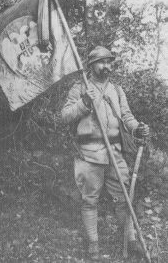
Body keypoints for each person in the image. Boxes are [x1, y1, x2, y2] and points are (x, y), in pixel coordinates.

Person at [61, 46, 149, 261]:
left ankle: (130, 240)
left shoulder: (117, 90)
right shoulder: (80, 88)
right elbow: (65, 116)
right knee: (90, 200)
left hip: (115, 153)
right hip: (89, 154)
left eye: (109, 62)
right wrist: (85, 102)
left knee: (124, 198)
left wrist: (137, 128)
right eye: (102, 62)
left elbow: (126, 116)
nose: (107, 66)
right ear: (91, 66)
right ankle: (93, 244)